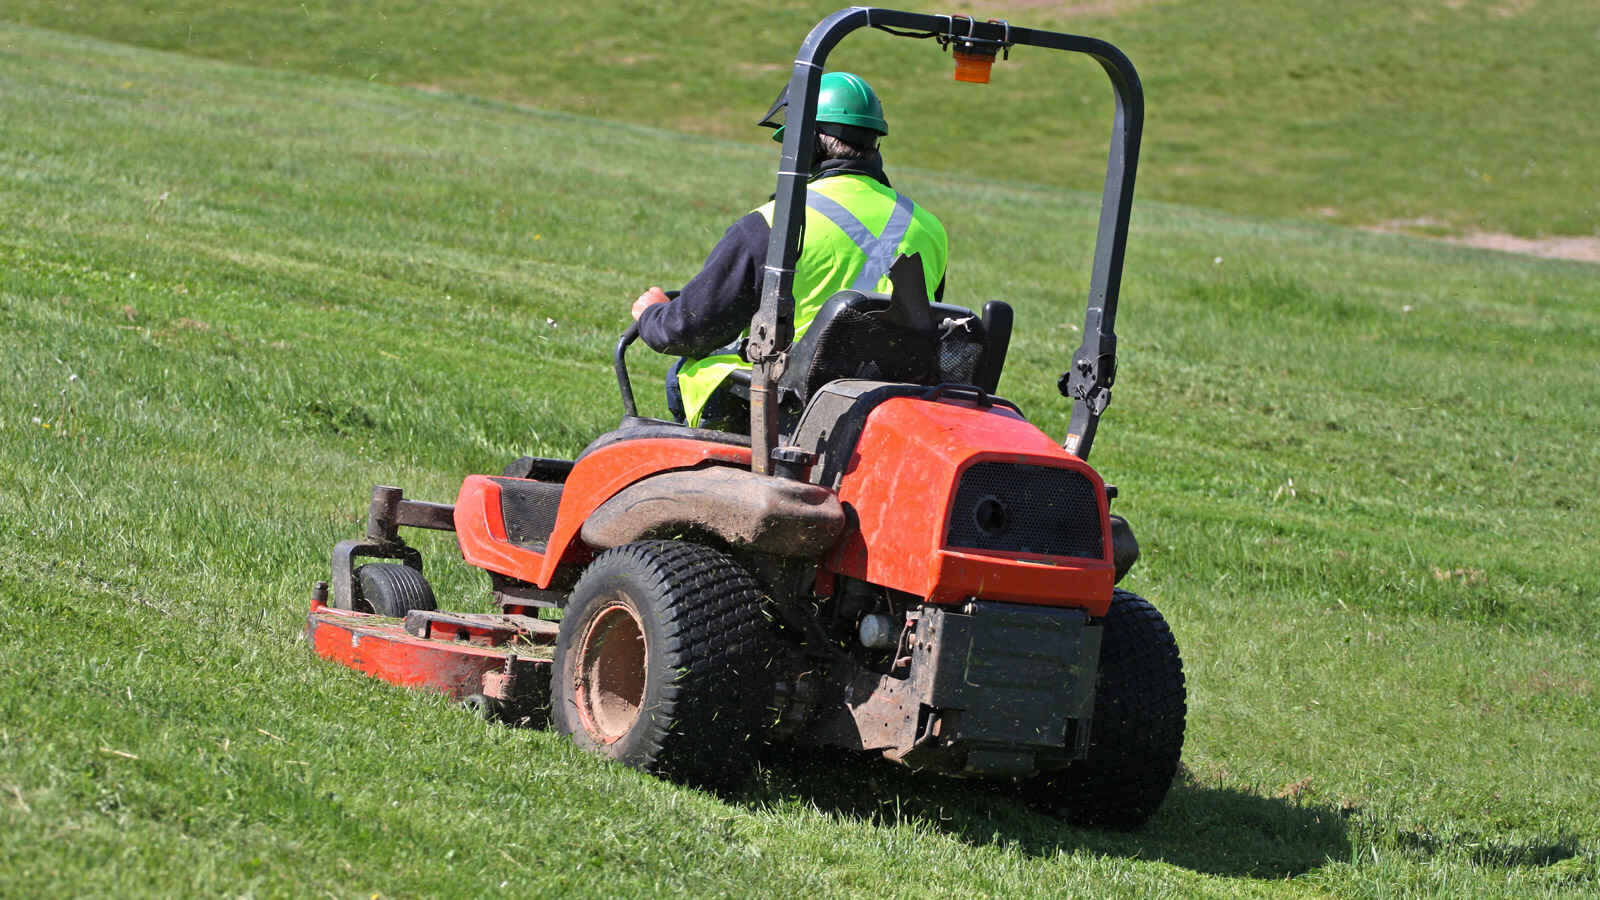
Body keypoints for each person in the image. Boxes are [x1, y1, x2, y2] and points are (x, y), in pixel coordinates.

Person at [630, 71, 949, 428]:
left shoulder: (773, 224)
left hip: (790, 408)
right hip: (880, 408)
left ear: (806, 142)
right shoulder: (929, 228)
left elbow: (689, 330)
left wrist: (652, 315)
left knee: (684, 376)